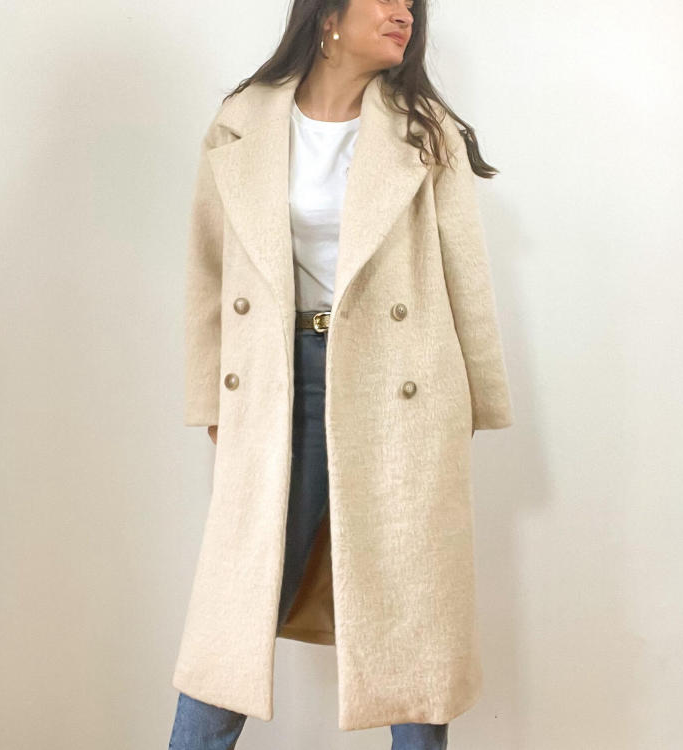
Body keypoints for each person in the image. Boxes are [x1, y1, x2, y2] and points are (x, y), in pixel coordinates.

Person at [169, 0, 514, 747]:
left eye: (411, 4)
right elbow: (207, 270)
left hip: (400, 389)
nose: (403, 13)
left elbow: (467, 276)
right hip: (276, 382)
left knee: (411, 610)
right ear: (327, 14)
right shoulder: (242, 121)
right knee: (237, 610)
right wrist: (211, 400)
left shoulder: (424, 131)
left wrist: (472, 406)